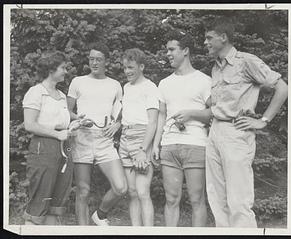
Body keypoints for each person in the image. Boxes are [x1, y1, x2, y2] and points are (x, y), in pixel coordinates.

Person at [204, 17, 288, 227]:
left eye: (209, 38)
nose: (205, 42)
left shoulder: (246, 61)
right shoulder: (216, 68)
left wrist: (263, 120)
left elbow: (283, 88)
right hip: (215, 131)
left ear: (223, 37)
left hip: (236, 132)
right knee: (217, 198)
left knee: (238, 201)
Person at [152, 30, 212, 227]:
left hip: (195, 145)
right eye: (166, 50)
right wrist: (156, 145)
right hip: (169, 147)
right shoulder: (164, 83)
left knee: (197, 200)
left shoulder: (204, 81)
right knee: (171, 200)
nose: (167, 54)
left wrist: (192, 114)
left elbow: (215, 112)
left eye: (172, 49)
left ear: (185, 50)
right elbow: (161, 115)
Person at [67, 42, 127, 225]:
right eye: (91, 59)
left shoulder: (115, 85)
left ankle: (100, 214)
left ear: (106, 61)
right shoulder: (78, 82)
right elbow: (66, 111)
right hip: (83, 138)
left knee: (121, 187)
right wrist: (78, 118)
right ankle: (82, 231)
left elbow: (121, 113)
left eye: (98, 59)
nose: (94, 63)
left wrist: (117, 125)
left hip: (105, 141)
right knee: (83, 190)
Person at [22, 51, 74, 225]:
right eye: (63, 68)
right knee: (40, 200)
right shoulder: (36, 92)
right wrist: (57, 134)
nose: (66, 71)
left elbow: (62, 121)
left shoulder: (61, 96)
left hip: (64, 148)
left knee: (56, 202)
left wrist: (77, 122)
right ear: (51, 69)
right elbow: (30, 124)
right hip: (43, 148)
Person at [119, 48, 159, 226]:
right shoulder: (126, 87)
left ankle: (148, 232)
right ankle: (135, 231)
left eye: (131, 67)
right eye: (125, 67)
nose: (127, 71)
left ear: (141, 66)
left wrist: (144, 150)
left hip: (141, 138)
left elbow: (152, 122)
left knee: (143, 192)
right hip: (125, 138)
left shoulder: (150, 87)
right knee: (133, 192)